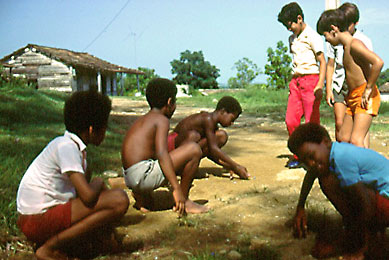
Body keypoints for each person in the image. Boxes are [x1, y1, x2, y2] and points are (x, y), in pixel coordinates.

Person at [16, 90, 130, 260]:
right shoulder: (66, 147)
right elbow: (88, 197)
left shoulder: (73, 149)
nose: (105, 132)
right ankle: (49, 248)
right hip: (36, 221)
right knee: (119, 200)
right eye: (104, 127)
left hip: (38, 217)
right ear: (92, 130)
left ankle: (95, 239)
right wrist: (99, 182)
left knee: (103, 192)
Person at [288, 122, 389, 259]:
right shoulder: (336, 151)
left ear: (326, 142)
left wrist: (359, 249)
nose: (310, 163)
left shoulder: (342, 159)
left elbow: (365, 204)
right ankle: (362, 236)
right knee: (327, 178)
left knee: (329, 182)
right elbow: (311, 173)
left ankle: (365, 241)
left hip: (384, 204)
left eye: (311, 156)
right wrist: (300, 207)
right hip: (381, 199)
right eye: (305, 161)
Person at [121, 78, 209, 215]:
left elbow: (152, 153)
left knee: (161, 164)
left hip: (130, 176)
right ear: (169, 102)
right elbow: (162, 154)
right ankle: (184, 201)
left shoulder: (144, 119)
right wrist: (176, 188)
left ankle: (142, 197)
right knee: (193, 149)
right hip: (142, 175)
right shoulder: (162, 120)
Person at [318, 9, 383, 148]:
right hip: (353, 97)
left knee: (356, 140)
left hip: (365, 96)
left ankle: (366, 168)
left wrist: (368, 89)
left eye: (326, 36)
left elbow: (378, 62)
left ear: (333, 29)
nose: (327, 40)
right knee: (343, 137)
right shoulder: (346, 47)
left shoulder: (354, 44)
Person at [277, 2, 326, 168]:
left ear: (299, 18)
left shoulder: (313, 36)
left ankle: (318, 155)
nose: (288, 28)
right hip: (296, 82)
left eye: (290, 24)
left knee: (312, 124)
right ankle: (299, 155)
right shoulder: (292, 39)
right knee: (291, 120)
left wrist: (320, 85)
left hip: (311, 80)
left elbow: (322, 62)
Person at [168, 96, 249, 179]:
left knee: (221, 136)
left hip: (178, 149)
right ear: (223, 111)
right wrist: (235, 166)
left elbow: (211, 153)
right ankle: (180, 168)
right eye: (232, 119)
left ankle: (184, 167)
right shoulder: (207, 119)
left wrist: (229, 166)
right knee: (194, 136)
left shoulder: (212, 124)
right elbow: (214, 149)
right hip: (170, 148)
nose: (232, 123)